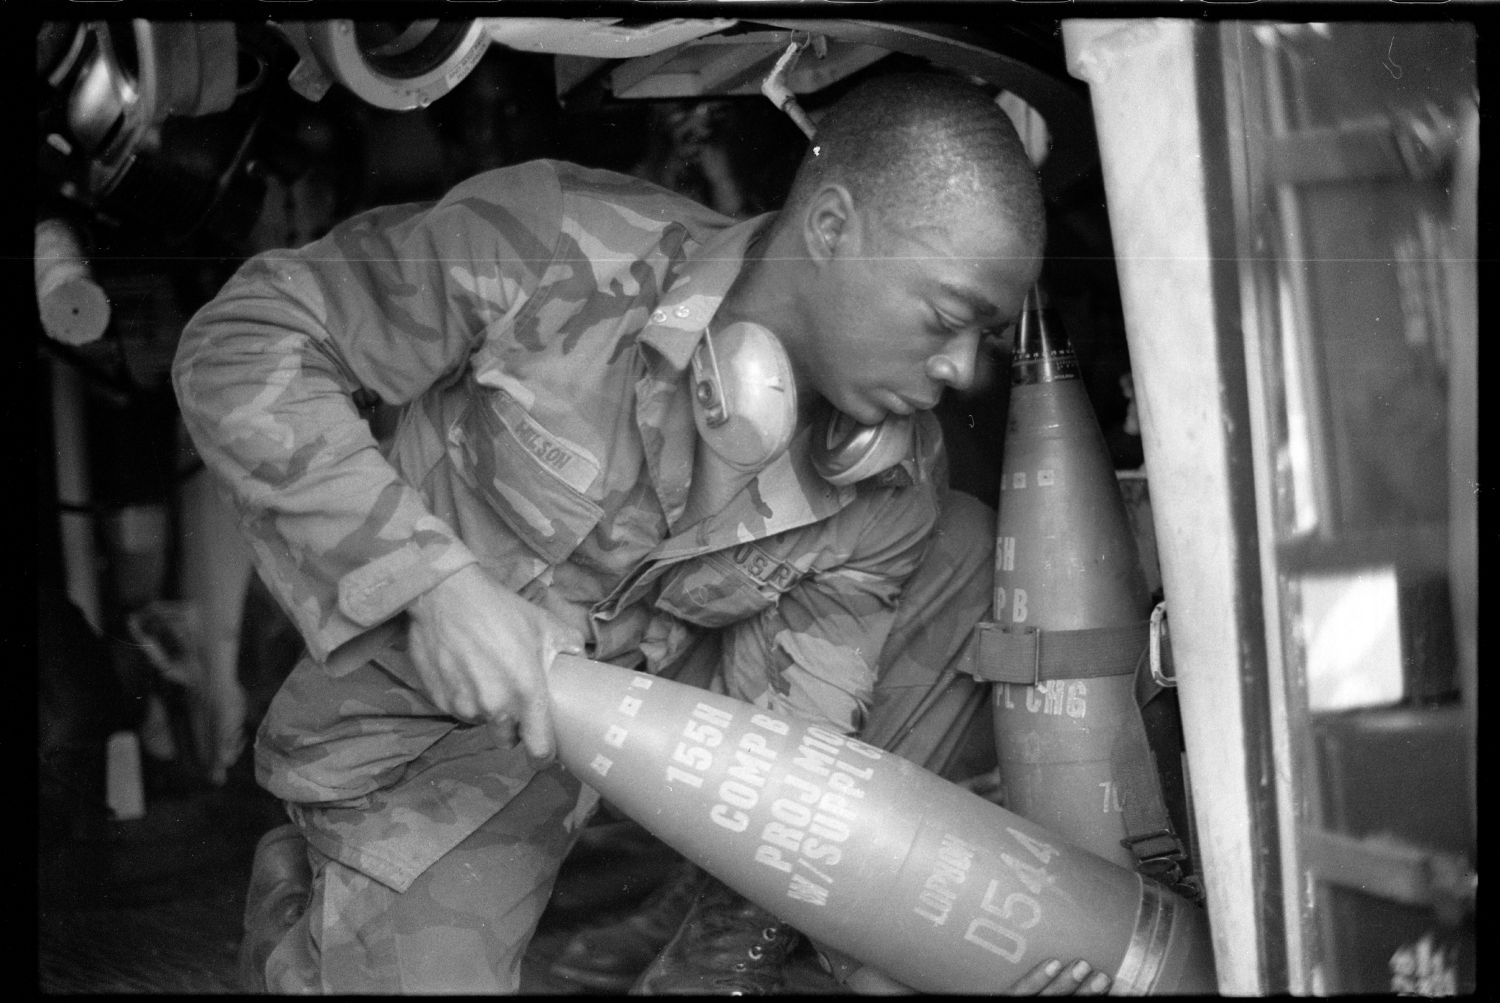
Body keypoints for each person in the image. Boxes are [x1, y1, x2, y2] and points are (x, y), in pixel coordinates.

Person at [173, 71, 1110, 995]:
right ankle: (312, 912)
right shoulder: (561, 243)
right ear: (831, 229)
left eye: (980, 337)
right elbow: (246, 339)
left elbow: (799, 751)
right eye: (948, 318)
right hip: (446, 740)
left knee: (963, 551)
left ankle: (712, 959)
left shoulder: (891, 478)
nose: (960, 368)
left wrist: (859, 947)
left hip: (658, 749)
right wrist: (432, 585)